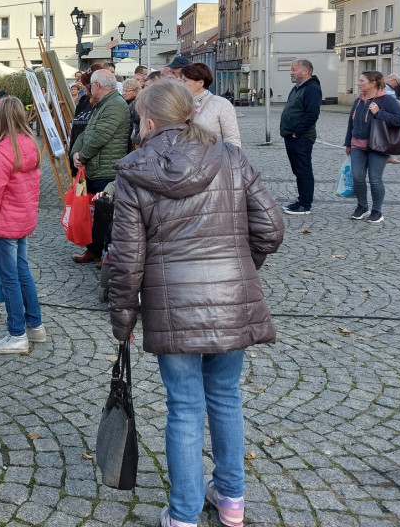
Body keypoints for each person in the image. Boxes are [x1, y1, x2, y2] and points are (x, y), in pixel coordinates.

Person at [105, 80, 285, 527]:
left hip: (172, 305)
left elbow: (126, 260)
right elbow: (272, 229)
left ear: (147, 122)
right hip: (230, 299)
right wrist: (241, 268)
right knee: (225, 396)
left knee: (184, 407)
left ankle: (184, 514)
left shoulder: (133, 171)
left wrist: (123, 318)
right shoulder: (231, 157)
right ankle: (231, 500)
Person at [0, 96, 46, 356]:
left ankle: (17, 333)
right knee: (22, 273)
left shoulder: (2, 152)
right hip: (23, 222)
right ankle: (35, 325)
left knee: (9, 278)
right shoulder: (30, 145)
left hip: (4, 224)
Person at [70, 70, 130, 264]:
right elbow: (86, 133)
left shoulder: (115, 106)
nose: (87, 90)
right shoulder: (103, 105)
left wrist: (83, 155)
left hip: (107, 169)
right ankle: (94, 249)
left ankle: (107, 254)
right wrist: (75, 154)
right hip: (95, 168)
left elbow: (100, 137)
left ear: (97, 86)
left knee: (106, 215)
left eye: (90, 86)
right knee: (93, 213)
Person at [344, 71, 400, 224]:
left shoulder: (387, 100)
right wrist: (348, 143)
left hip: (379, 146)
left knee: (375, 179)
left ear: (372, 83)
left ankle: (377, 210)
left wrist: (379, 112)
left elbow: (398, 120)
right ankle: (362, 206)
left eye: (362, 81)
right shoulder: (358, 100)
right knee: (357, 177)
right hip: (357, 145)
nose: (359, 83)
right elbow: (351, 123)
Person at [280, 59, 322, 216]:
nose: (291, 72)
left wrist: (298, 132)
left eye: (294, 69)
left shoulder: (312, 88)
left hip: (301, 137)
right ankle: (301, 200)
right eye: (291, 69)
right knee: (298, 170)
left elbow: (312, 114)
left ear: (306, 71)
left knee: (304, 170)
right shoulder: (297, 88)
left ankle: (305, 204)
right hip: (290, 135)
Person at [179, 63, 241, 147]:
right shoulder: (179, 104)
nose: (180, 83)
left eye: (185, 80)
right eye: (180, 80)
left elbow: (232, 139)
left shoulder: (221, 104)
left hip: (212, 157)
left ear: (200, 83)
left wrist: (232, 158)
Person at [122, 77, 142, 149]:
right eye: (123, 90)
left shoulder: (138, 105)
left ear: (136, 92)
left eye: (127, 91)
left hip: (135, 141)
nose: (124, 93)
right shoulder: (126, 103)